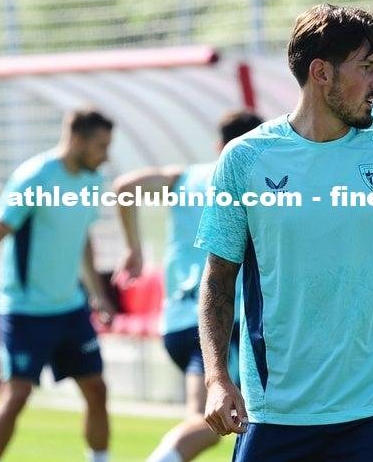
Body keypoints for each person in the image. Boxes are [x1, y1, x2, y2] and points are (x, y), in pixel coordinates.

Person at [195, 4, 373, 462]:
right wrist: (217, 378)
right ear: (321, 73)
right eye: (367, 67)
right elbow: (218, 279)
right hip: (277, 413)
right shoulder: (245, 159)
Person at [112, 111, 263, 462]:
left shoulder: (186, 178)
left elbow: (125, 187)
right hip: (222, 324)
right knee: (217, 421)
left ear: (218, 145)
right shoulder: (251, 184)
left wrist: (134, 248)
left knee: (213, 417)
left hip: (178, 324)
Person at [0, 109, 115, 462]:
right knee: (16, 396)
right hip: (24, 310)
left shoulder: (93, 180)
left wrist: (98, 295)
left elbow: (83, 238)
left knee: (96, 388)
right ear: (77, 140)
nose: (106, 156)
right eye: (100, 146)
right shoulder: (34, 177)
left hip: (70, 308)